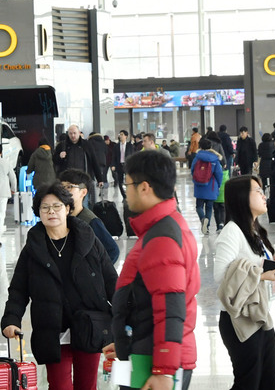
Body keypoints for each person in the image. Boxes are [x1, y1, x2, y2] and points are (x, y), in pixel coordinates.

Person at [1, 182, 117, 390]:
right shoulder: (33, 248)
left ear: (68, 209)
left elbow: (111, 280)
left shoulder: (88, 241)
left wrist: (123, 318)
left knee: (87, 386)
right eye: (45, 207)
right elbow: (18, 289)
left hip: (90, 326)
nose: (51, 212)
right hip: (52, 330)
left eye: (57, 206)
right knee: (59, 385)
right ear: (38, 212)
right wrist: (11, 319)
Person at [103, 151, 200, 390]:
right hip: (146, 352)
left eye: (128, 186)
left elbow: (170, 306)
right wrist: (127, 340)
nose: (126, 195)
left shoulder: (162, 237)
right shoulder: (164, 225)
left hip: (154, 364)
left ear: (144, 187)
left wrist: (163, 371)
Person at [213, 175, 275, 390]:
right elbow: (221, 277)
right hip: (239, 320)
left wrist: (274, 265)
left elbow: (253, 266)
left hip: (260, 314)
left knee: (269, 382)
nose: (264, 196)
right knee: (248, 384)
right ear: (243, 197)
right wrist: (262, 273)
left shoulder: (253, 231)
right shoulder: (232, 231)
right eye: (258, 191)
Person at [59, 169, 120, 263]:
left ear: (83, 192)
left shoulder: (90, 221)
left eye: (69, 187)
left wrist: (96, 273)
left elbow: (113, 250)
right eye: (61, 187)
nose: (63, 191)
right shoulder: (60, 217)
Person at [54, 125, 104, 203]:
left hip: (83, 180)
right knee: (68, 202)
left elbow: (94, 161)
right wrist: (59, 156)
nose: (73, 135)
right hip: (67, 181)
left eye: (74, 133)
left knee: (83, 202)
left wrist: (99, 179)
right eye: (70, 133)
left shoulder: (86, 145)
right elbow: (54, 161)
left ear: (79, 133)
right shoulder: (62, 146)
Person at [191, 139, 224, 235]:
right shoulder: (215, 159)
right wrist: (218, 184)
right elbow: (219, 173)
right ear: (210, 147)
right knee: (209, 208)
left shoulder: (197, 157)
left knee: (199, 206)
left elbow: (193, 170)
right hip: (212, 186)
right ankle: (207, 226)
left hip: (199, 186)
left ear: (200, 147)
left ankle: (203, 219)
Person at [111, 130, 135, 199]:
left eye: (122, 134)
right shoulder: (116, 146)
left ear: (126, 136)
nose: (120, 136)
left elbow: (133, 156)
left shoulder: (130, 146)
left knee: (129, 180)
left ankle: (129, 195)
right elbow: (114, 157)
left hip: (127, 166)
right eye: (120, 134)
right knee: (120, 181)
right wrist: (113, 165)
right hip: (119, 165)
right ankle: (124, 196)